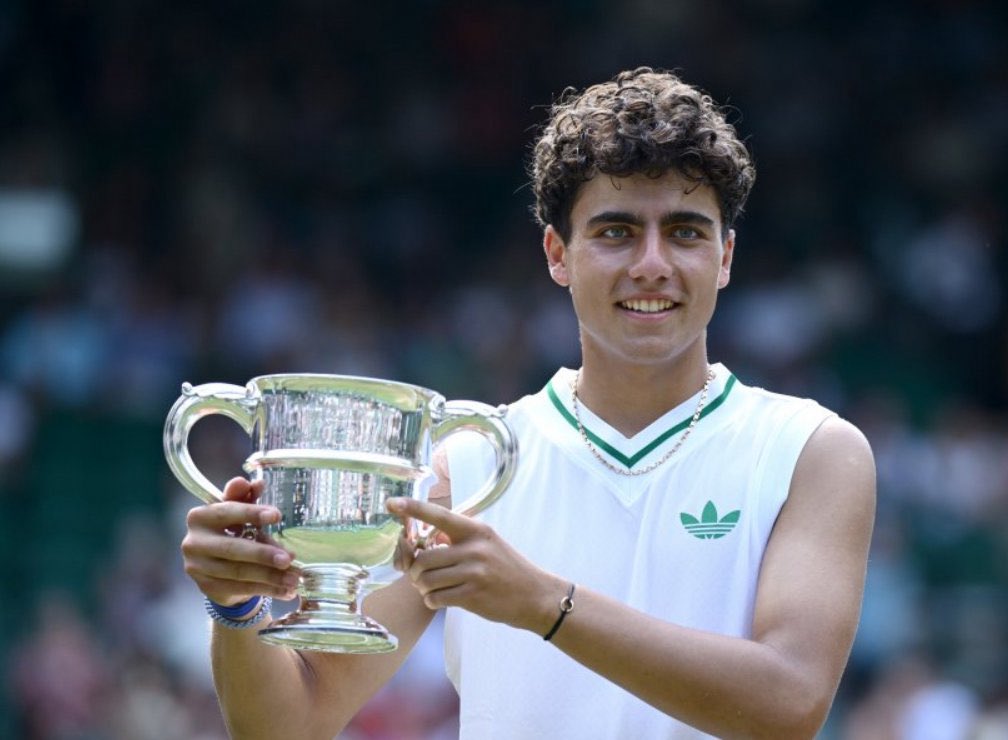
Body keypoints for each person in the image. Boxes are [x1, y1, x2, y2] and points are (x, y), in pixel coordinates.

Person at [180, 67, 876, 739]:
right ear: (557, 253)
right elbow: (289, 727)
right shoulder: (470, 465)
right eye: (616, 231)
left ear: (724, 257)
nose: (652, 263)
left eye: (686, 232)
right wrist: (235, 608)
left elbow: (790, 702)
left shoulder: (811, 449)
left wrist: (542, 603)